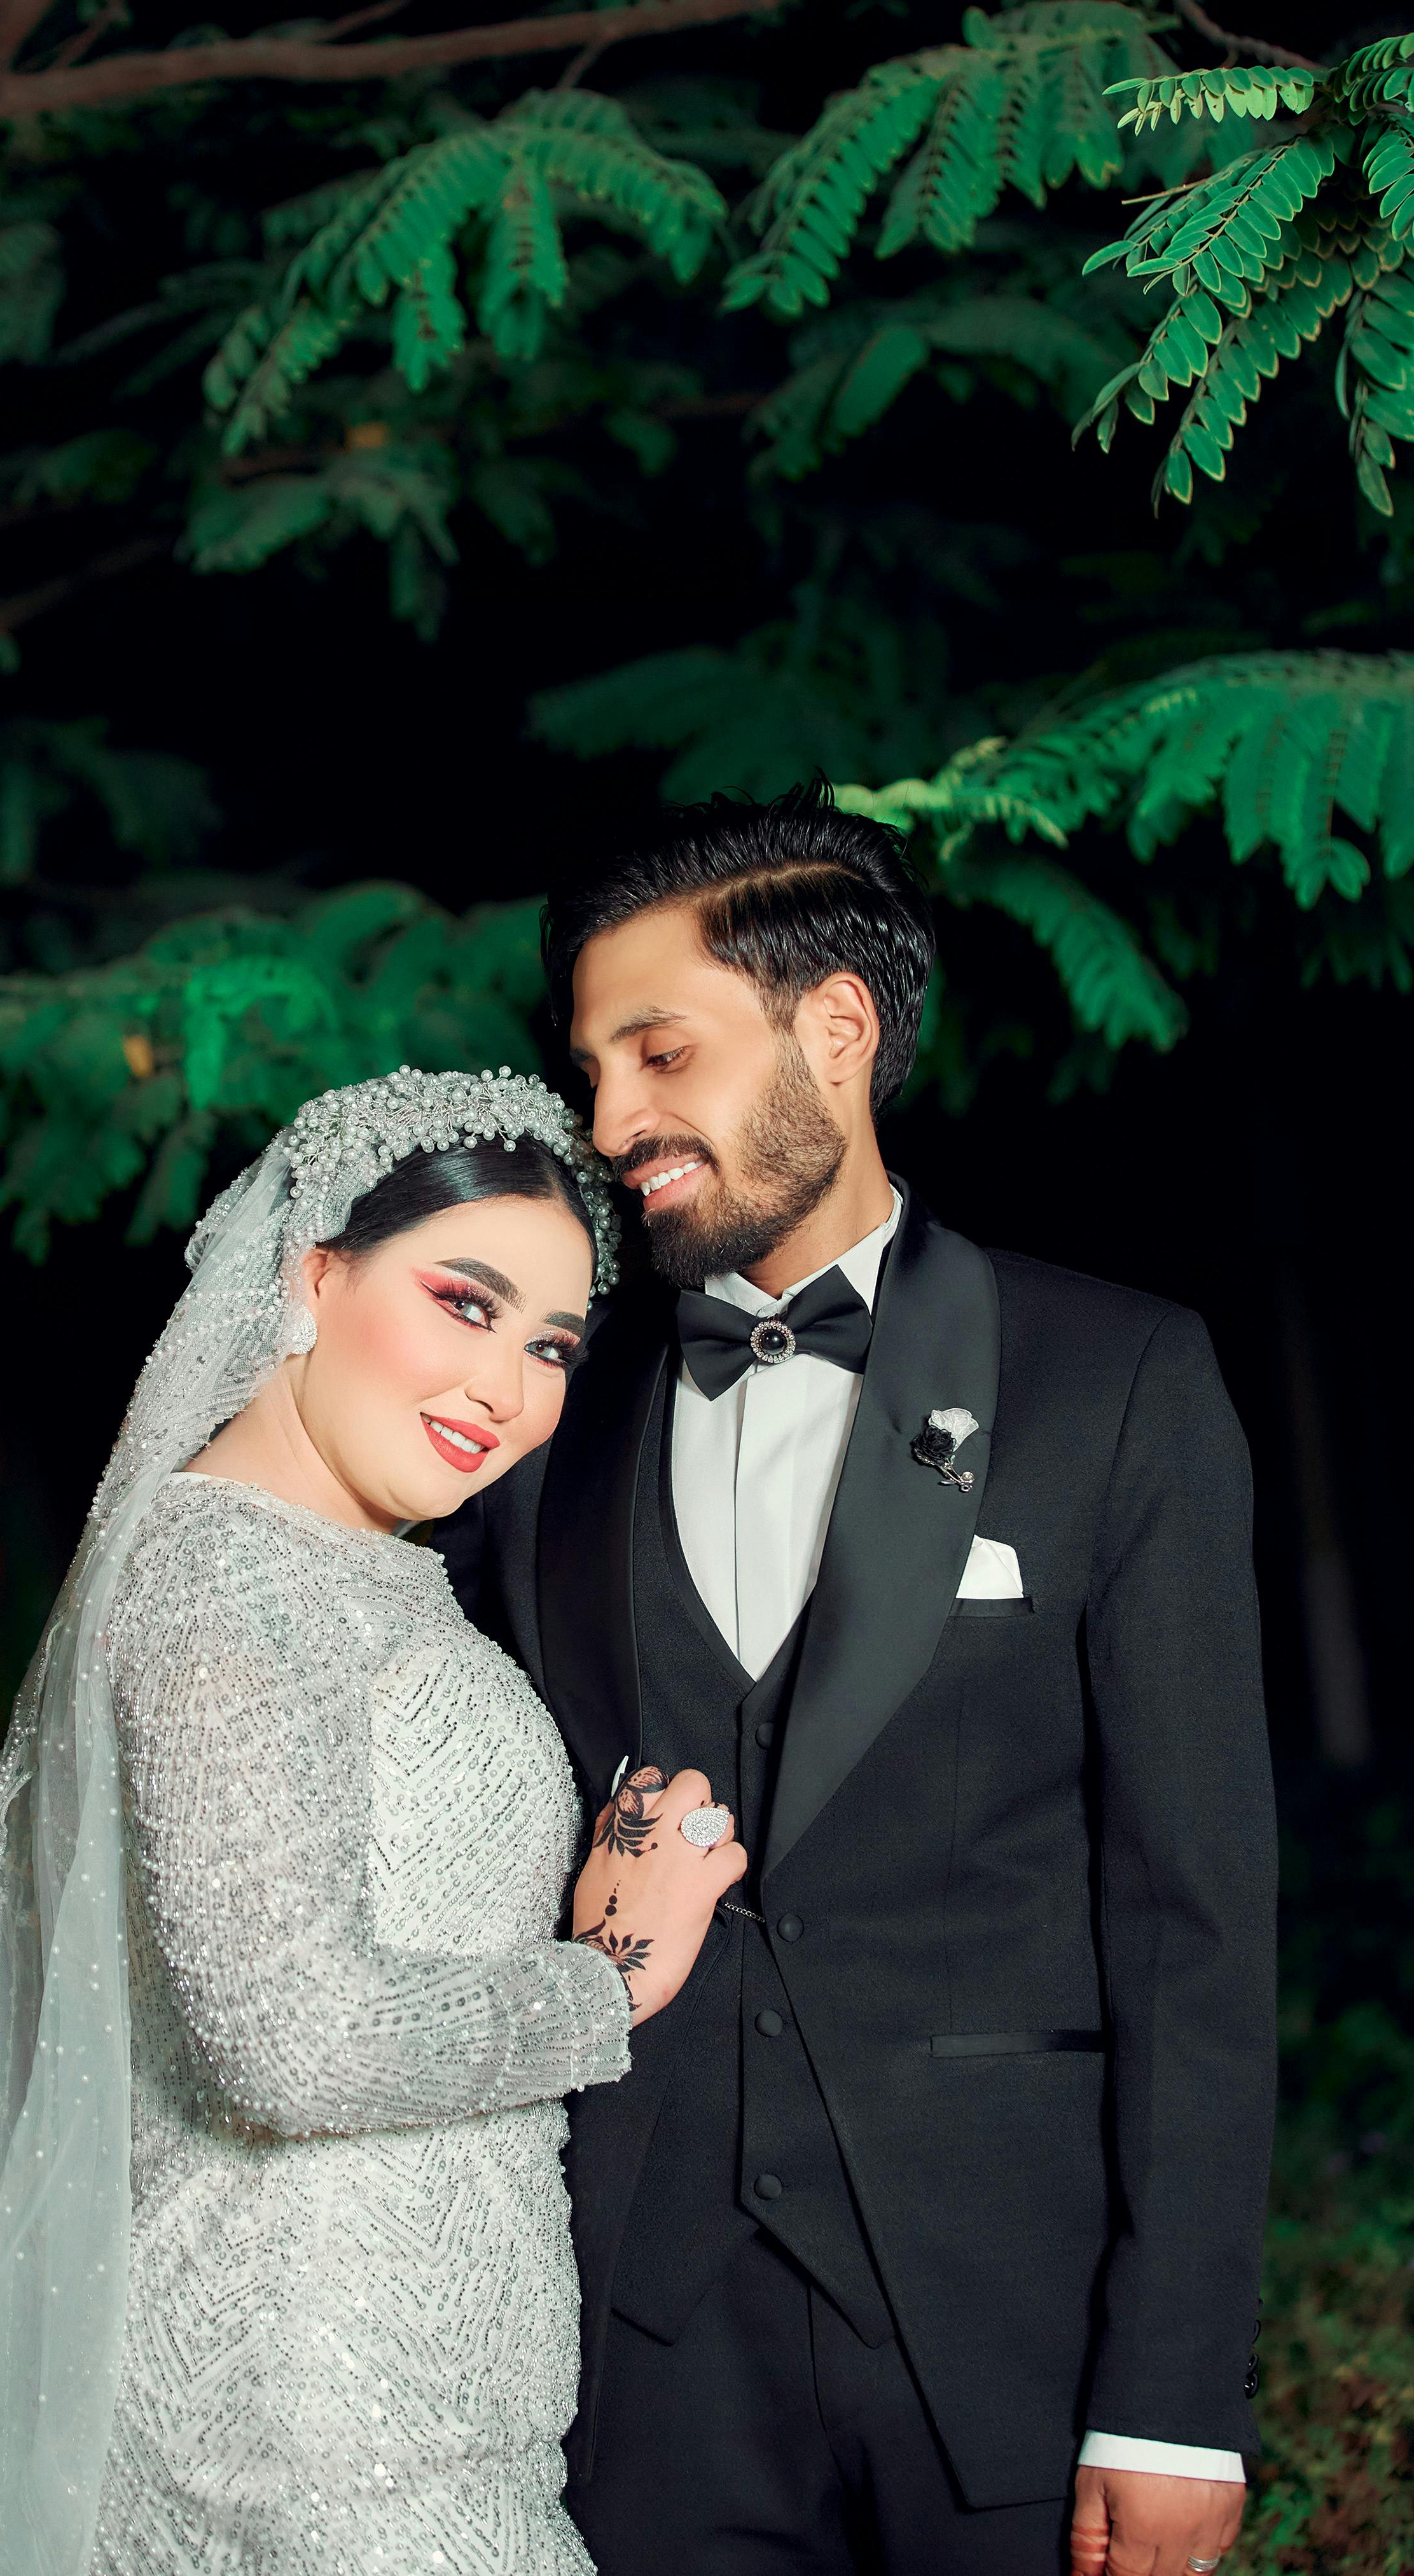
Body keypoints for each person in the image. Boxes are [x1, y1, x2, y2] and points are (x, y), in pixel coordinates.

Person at [436, 789, 1278, 2576]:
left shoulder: (1117, 1378)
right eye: (589, 1068)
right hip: (633, 2364)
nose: (609, 1122)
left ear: (838, 1028)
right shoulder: (543, 1445)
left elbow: (1195, 1926)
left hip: (1009, 2349)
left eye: (658, 1052)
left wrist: (1171, 2395)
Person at [0, 1068, 745, 2576]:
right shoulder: (224, 1581)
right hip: (313, 2426)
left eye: (551, 1342)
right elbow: (289, 2037)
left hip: (418, 2394)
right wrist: (616, 1971)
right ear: (311, 1277)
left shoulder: (336, 1566)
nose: (506, 1387)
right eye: (463, 1301)